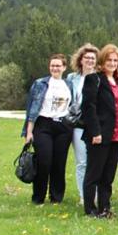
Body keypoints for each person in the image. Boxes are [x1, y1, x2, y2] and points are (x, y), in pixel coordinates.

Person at [81, 44, 118, 217]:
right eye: (109, 60)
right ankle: (90, 209)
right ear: (102, 61)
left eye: (115, 60)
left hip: (116, 135)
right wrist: (95, 132)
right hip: (99, 135)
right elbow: (88, 107)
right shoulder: (94, 79)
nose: (112, 63)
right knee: (94, 173)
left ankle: (105, 208)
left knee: (108, 176)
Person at [22, 53, 74, 206]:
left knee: (59, 163)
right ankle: (38, 197)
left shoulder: (68, 84)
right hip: (43, 125)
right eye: (52, 65)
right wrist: (29, 132)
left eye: (58, 65)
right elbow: (32, 109)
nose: (55, 68)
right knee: (44, 161)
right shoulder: (40, 84)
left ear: (64, 67)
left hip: (63, 127)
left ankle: (56, 197)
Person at [67, 44, 98, 203]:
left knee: (96, 161)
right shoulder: (72, 78)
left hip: (95, 125)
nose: (90, 61)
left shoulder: (100, 78)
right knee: (81, 162)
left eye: (93, 58)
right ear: (80, 59)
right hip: (78, 124)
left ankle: (95, 194)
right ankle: (82, 195)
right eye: (87, 58)